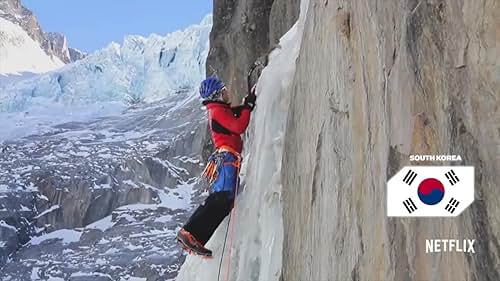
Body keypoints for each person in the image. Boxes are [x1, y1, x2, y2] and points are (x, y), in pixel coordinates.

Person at [177, 76, 256, 257]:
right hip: (227, 159)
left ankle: (197, 238)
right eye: (223, 90)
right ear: (217, 95)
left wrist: (245, 106)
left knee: (225, 201)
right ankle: (189, 232)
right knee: (221, 198)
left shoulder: (218, 110)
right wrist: (248, 108)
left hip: (228, 158)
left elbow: (234, 115)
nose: (227, 92)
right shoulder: (218, 111)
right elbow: (239, 126)